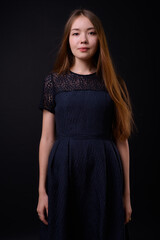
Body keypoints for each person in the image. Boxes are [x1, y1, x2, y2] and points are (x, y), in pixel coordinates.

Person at [37, 8, 134, 240]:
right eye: (76, 33)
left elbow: (121, 139)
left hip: (103, 171)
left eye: (91, 33)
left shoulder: (114, 84)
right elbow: (47, 138)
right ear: (67, 39)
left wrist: (126, 195)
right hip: (63, 171)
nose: (83, 40)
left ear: (100, 38)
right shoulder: (53, 82)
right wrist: (42, 190)